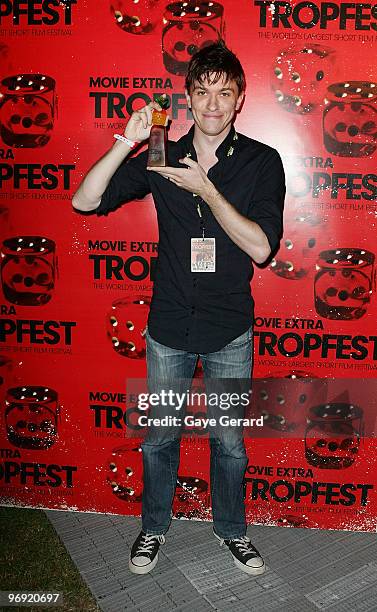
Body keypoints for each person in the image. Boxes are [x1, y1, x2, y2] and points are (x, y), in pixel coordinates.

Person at [72, 41, 285, 577]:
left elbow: (261, 248)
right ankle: (153, 528)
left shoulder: (263, 161)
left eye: (224, 93)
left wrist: (207, 190)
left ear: (239, 100)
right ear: (188, 97)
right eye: (203, 91)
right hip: (168, 327)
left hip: (229, 329)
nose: (213, 104)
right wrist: (130, 139)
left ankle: (232, 532)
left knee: (230, 444)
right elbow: (85, 200)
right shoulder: (163, 155)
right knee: (161, 436)